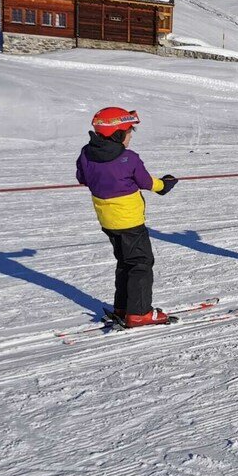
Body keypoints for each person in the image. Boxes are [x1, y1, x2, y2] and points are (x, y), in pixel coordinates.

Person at [75, 107, 177, 327]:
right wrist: (164, 185)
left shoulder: (86, 153)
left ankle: (122, 307)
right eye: (129, 131)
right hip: (130, 221)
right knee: (140, 263)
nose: (131, 135)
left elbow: (81, 177)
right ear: (118, 133)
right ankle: (139, 312)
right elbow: (148, 183)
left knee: (124, 262)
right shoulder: (128, 158)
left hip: (107, 221)